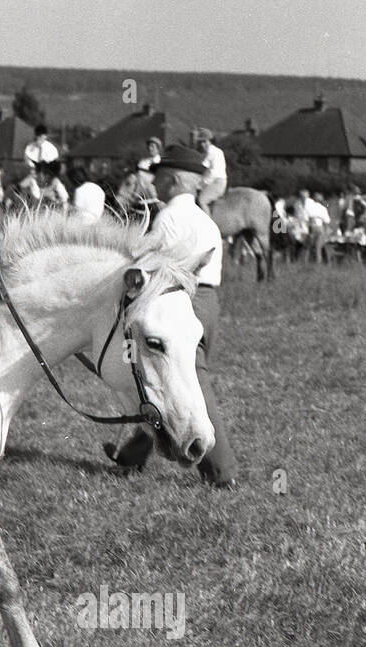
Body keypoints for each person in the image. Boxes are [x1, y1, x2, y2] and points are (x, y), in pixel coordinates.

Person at [105, 144, 236, 488]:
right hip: (208, 301)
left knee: (189, 382)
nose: (154, 186)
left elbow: (152, 267)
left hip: (181, 301)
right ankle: (132, 457)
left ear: (175, 180)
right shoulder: (205, 220)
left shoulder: (168, 218)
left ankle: (221, 472)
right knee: (169, 379)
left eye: (160, 179)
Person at [194, 128, 227, 212]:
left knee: (202, 200)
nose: (202, 144)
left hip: (217, 182)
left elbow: (213, 173)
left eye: (204, 142)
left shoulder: (213, 152)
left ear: (210, 141)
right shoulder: (207, 153)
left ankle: (208, 223)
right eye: (200, 142)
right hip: (212, 181)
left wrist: (200, 184)